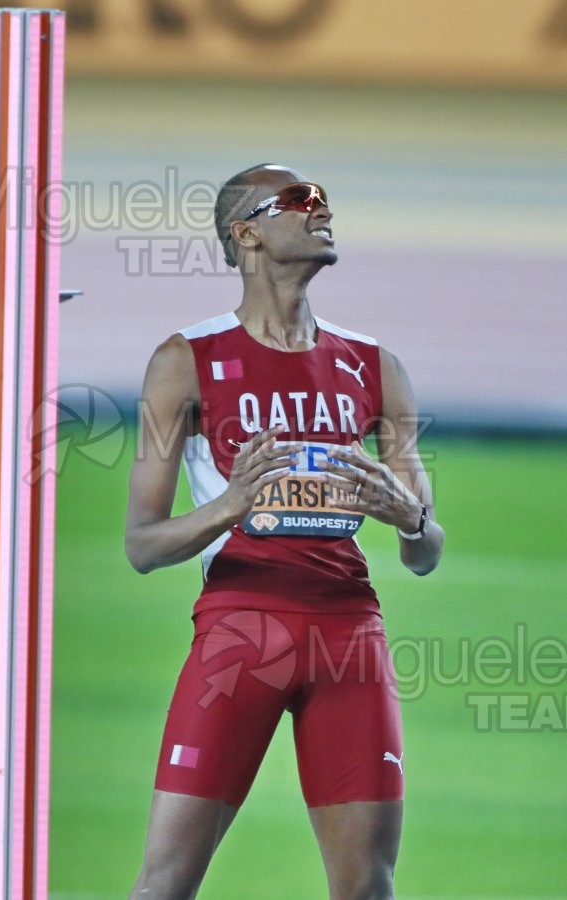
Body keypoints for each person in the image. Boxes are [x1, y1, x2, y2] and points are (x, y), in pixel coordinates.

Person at [125, 163, 445, 899]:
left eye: (323, 199)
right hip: (240, 634)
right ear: (246, 234)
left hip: (348, 638)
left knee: (366, 886)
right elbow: (141, 546)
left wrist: (410, 519)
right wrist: (231, 506)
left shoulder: (373, 365)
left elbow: (425, 553)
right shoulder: (185, 361)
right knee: (165, 882)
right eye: (298, 201)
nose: (319, 210)